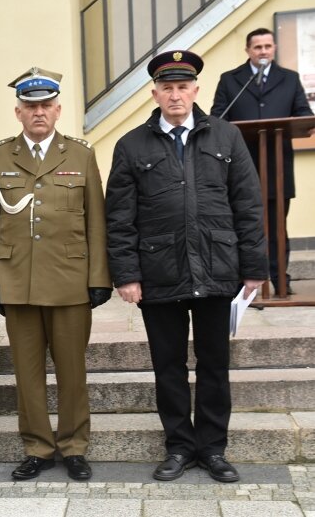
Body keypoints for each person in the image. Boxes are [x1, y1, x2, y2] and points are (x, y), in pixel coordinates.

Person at [105, 50, 268, 483]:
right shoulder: (131, 145)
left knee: (215, 365)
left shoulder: (226, 137)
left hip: (218, 268)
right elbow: (119, 217)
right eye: (167, 88)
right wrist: (126, 274)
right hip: (159, 273)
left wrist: (254, 269)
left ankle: (213, 449)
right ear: (154, 93)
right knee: (168, 366)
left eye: (183, 87)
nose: (175, 95)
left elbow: (248, 206)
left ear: (196, 90)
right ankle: (179, 446)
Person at [0, 67, 112, 481]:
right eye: (30, 107)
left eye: (45, 106)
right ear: (18, 112)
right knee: (27, 373)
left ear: (57, 110)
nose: (38, 113)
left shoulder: (81, 154)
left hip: (70, 280)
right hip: (17, 281)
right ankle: (37, 446)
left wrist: (98, 277)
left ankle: (73, 446)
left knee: (73, 372)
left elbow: (96, 221)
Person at [211, 28, 313, 295]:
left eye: (268, 46)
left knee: (277, 226)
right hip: (240, 167)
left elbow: (303, 113)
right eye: (258, 47)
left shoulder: (289, 79)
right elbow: (217, 117)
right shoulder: (231, 80)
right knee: (242, 224)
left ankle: (280, 279)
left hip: (277, 167)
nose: (263, 51)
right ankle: (244, 282)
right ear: (248, 51)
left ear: (274, 48)